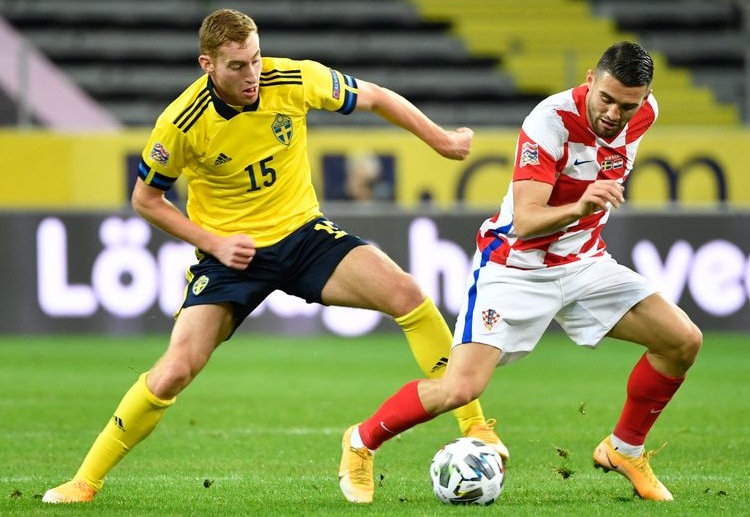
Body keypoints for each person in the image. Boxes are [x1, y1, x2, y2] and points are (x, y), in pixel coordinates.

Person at [41, 8, 508, 504]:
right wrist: (214, 242)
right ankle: (84, 481)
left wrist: (439, 139)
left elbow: (374, 96)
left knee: (408, 295)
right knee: (176, 369)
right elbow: (145, 200)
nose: (253, 75)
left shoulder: (294, 78)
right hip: (230, 257)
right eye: (238, 66)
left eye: (256, 59)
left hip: (303, 235)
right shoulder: (180, 123)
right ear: (208, 65)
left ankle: (475, 427)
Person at [338, 41, 702, 503]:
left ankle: (624, 448)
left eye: (626, 105)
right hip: (515, 266)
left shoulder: (646, 111)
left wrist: (585, 212)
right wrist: (582, 204)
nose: (614, 113)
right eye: (605, 98)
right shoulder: (548, 122)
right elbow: (527, 221)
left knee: (682, 340)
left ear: (643, 97)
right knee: (460, 388)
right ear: (589, 79)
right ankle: (361, 441)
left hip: (585, 262)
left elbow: (615, 140)